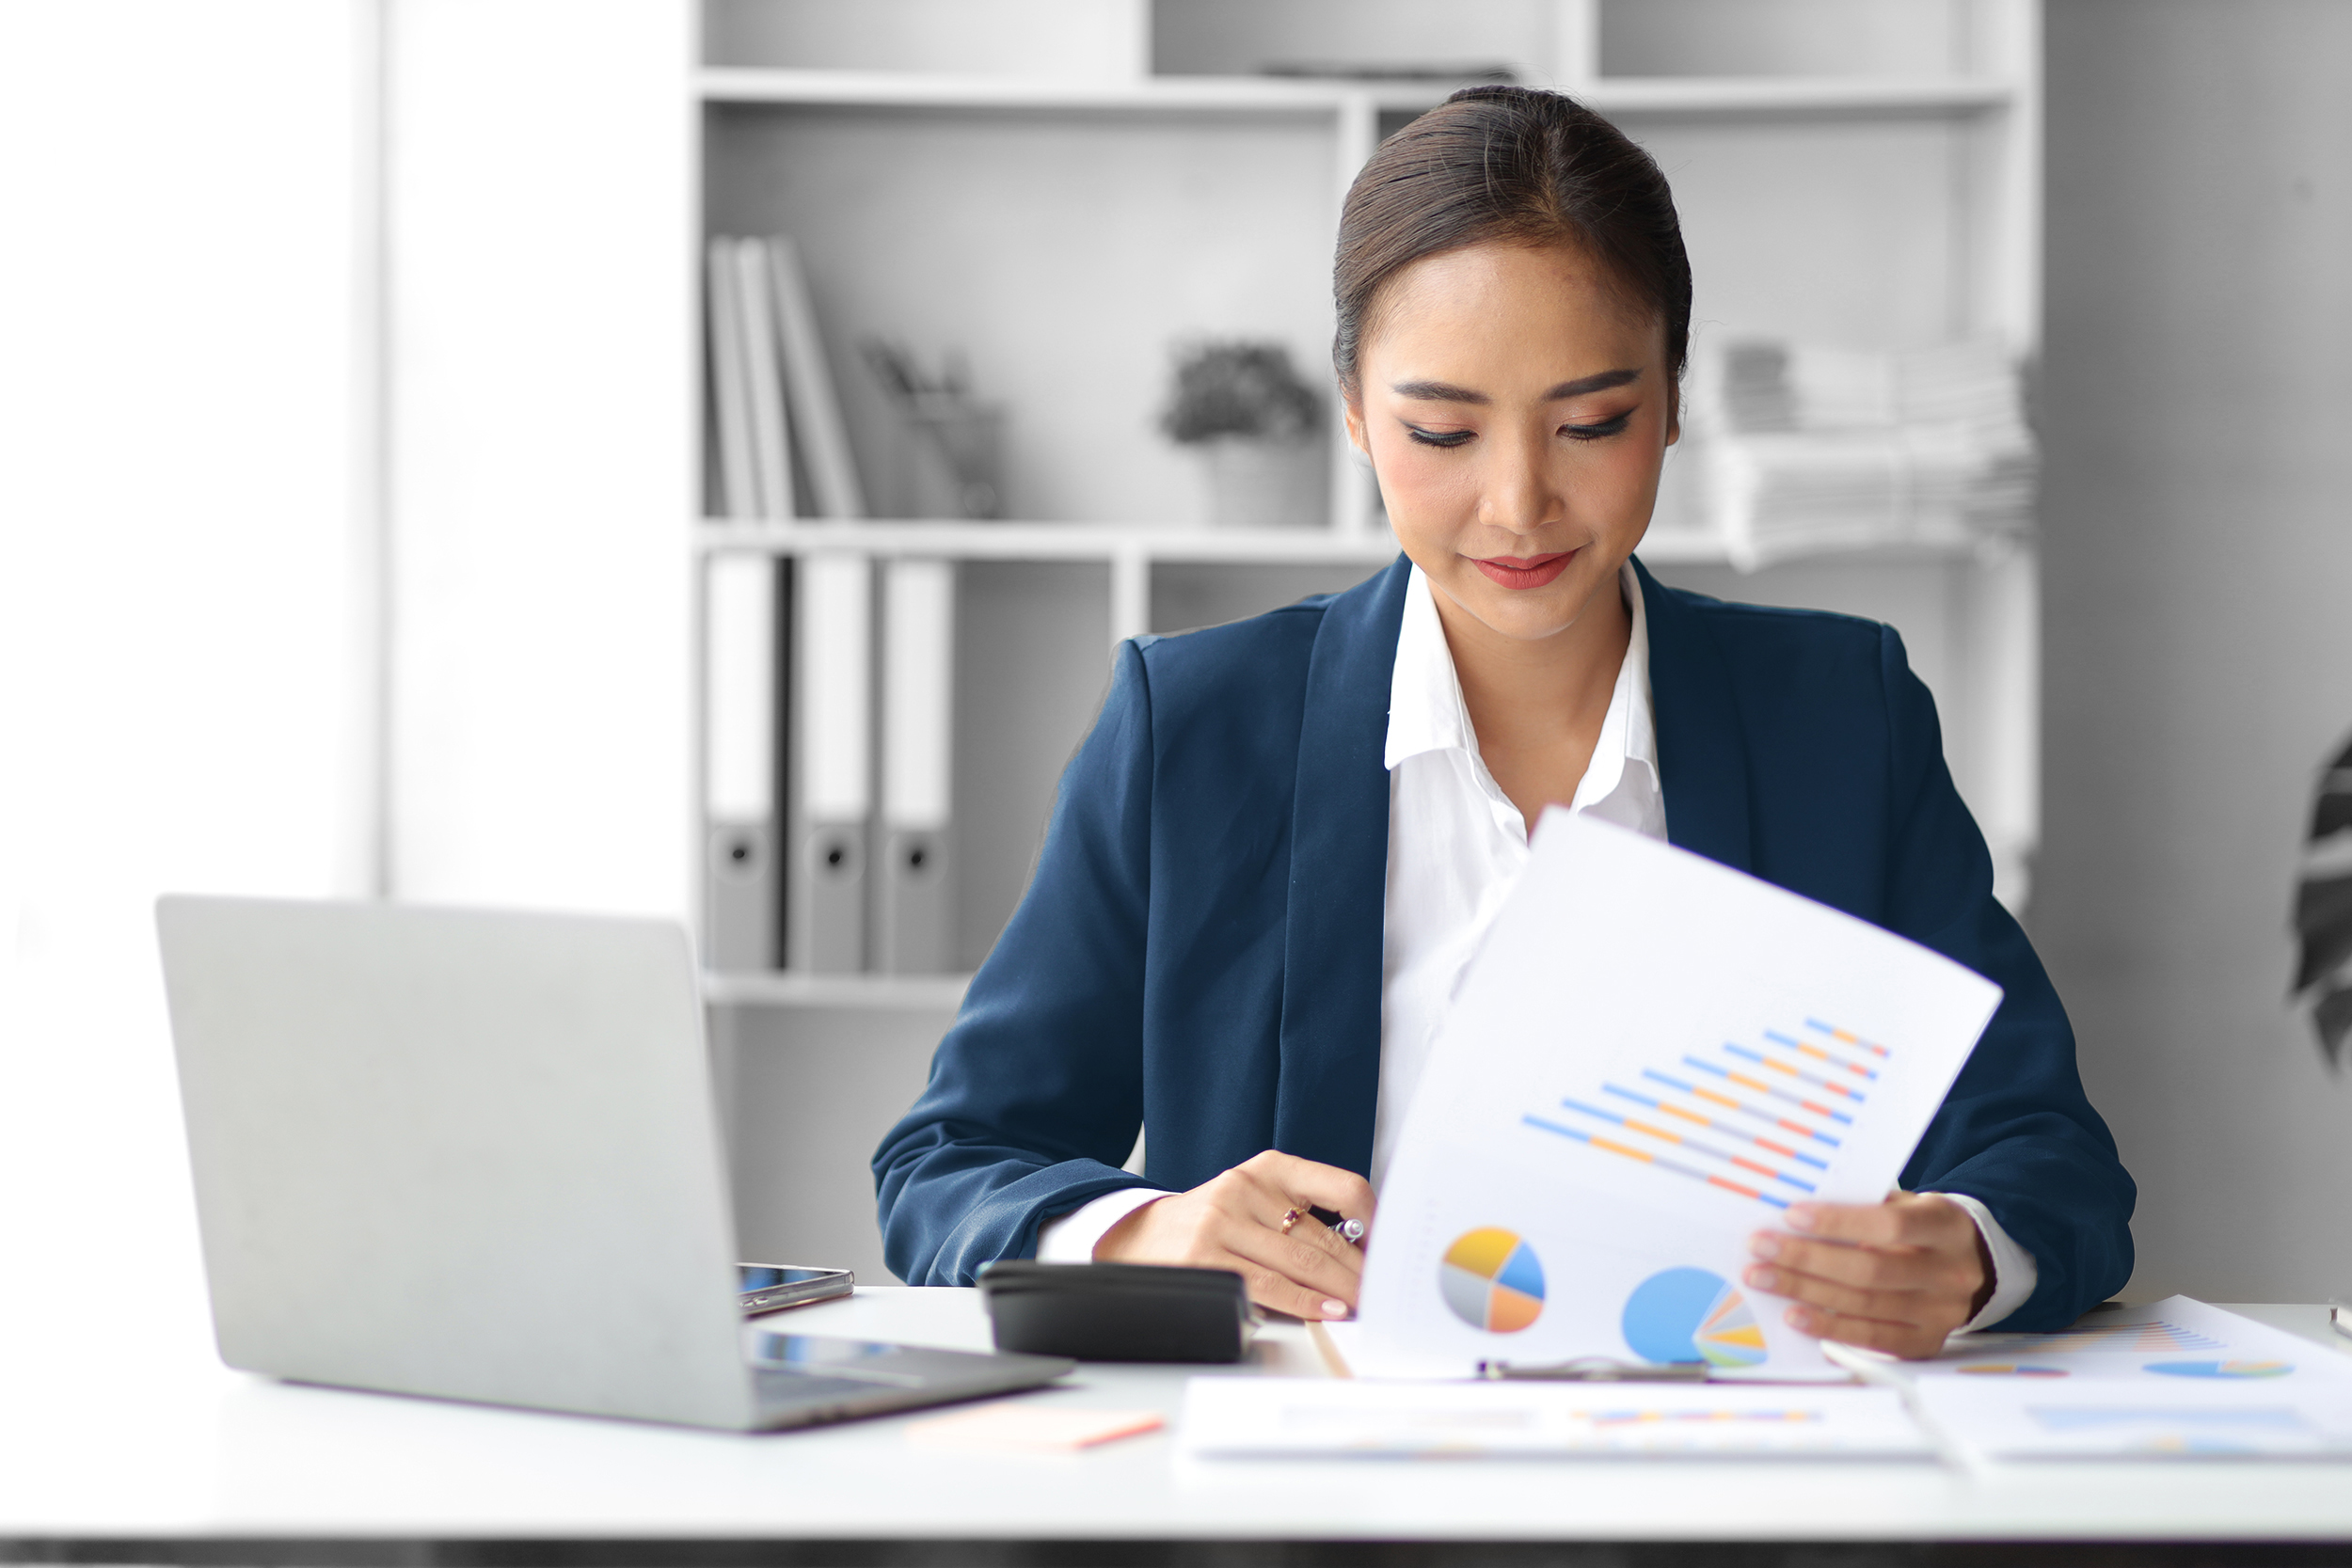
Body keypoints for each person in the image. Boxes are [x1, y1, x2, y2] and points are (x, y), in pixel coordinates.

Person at [873, 87, 2134, 1355]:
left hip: (1720, 1473)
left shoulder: (1840, 718)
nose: (1520, 502)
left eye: (1592, 423)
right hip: (1308, 1495)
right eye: (1443, 430)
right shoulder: (1194, 728)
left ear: (1676, 398)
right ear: (1357, 412)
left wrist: (1968, 1253)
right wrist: (1149, 1236)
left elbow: (2048, 1155)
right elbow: (949, 1163)